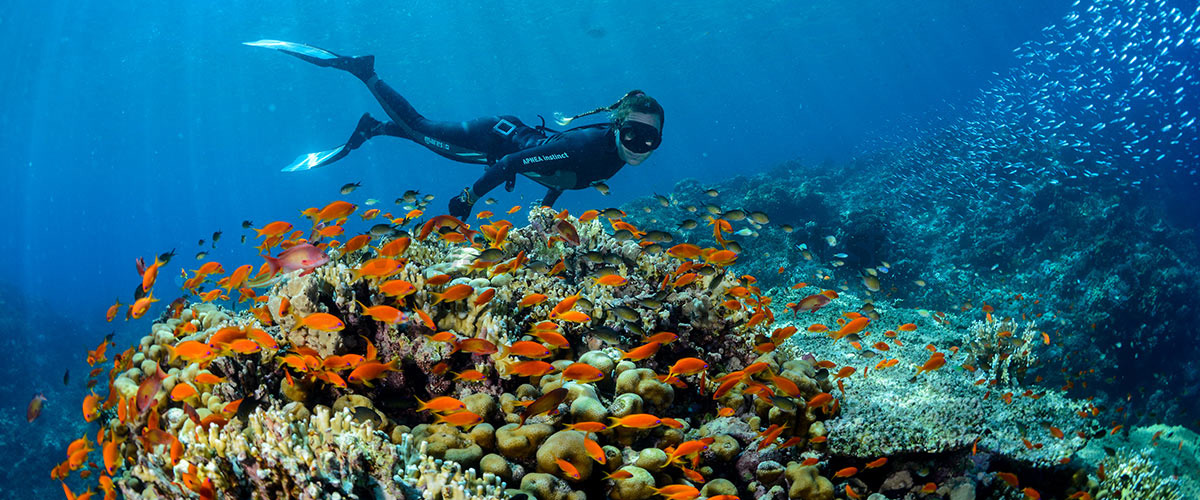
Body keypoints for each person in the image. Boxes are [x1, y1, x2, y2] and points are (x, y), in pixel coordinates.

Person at [247, 40, 664, 219]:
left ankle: (373, 128)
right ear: (617, 127)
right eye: (633, 134)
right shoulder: (587, 146)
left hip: (503, 137)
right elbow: (516, 162)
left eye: (651, 139)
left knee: (428, 140)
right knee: (420, 127)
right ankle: (364, 72)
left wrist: (545, 210)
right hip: (491, 139)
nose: (640, 146)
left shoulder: (615, 155)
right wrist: (468, 199)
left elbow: (561, 173)